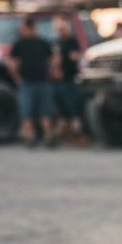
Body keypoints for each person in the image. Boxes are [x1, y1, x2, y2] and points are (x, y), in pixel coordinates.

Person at [9, 17, 55, 148]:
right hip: (41, 81)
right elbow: (53, 61)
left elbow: (12, 65)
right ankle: (47, 137)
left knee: (28, 112)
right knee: (44, 112)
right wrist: (50, 73)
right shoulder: (43, 43)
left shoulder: (19, 44)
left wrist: (18, 79)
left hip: (29, 82)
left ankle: (31, 138)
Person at [52, 16, 82, 139]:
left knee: (72, 106)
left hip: (70, 77)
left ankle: (77, 132)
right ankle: (67, 132)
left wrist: (69, 60)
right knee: (63, 107)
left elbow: (76, 57)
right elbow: (56, 58)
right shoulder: (58, 42)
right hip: (60, 79)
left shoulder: (72, 41)